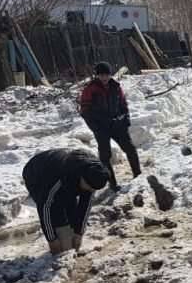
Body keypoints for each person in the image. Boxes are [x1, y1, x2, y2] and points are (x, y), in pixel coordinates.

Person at [22, 148, 109, 255]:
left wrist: (79, 233)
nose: (91, 191)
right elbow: (44, 207)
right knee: (56, 211)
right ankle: (58, 240)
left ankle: (67, 236)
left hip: (68, 175)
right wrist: (52, 239)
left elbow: (85, 205)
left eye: (93, 189)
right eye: (89, 187)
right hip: (36, 174)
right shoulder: (57, 178)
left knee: (72, 210)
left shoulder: (95, 173)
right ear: (82, 178)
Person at [79, 62, 141, 190]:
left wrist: (126, 120)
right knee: (105, 156)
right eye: (101, 75)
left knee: (130, 149)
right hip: (101, 127)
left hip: (118, 125)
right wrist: (95, 127)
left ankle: (138, 176)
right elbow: (85, 111)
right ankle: (112, 184)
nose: (105, 78)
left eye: (106, 75)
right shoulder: (90, 89)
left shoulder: (116, 87)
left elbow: (123, 104)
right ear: (97, 76)